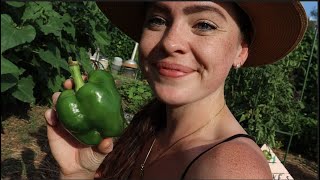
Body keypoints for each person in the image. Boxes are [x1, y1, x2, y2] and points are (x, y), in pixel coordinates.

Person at [45, 1, 307, 179]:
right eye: (158, 20)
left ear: (241, 50)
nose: (170, 42)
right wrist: (78, 173)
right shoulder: (149, 127)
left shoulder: (229, 170)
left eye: (204, 24)